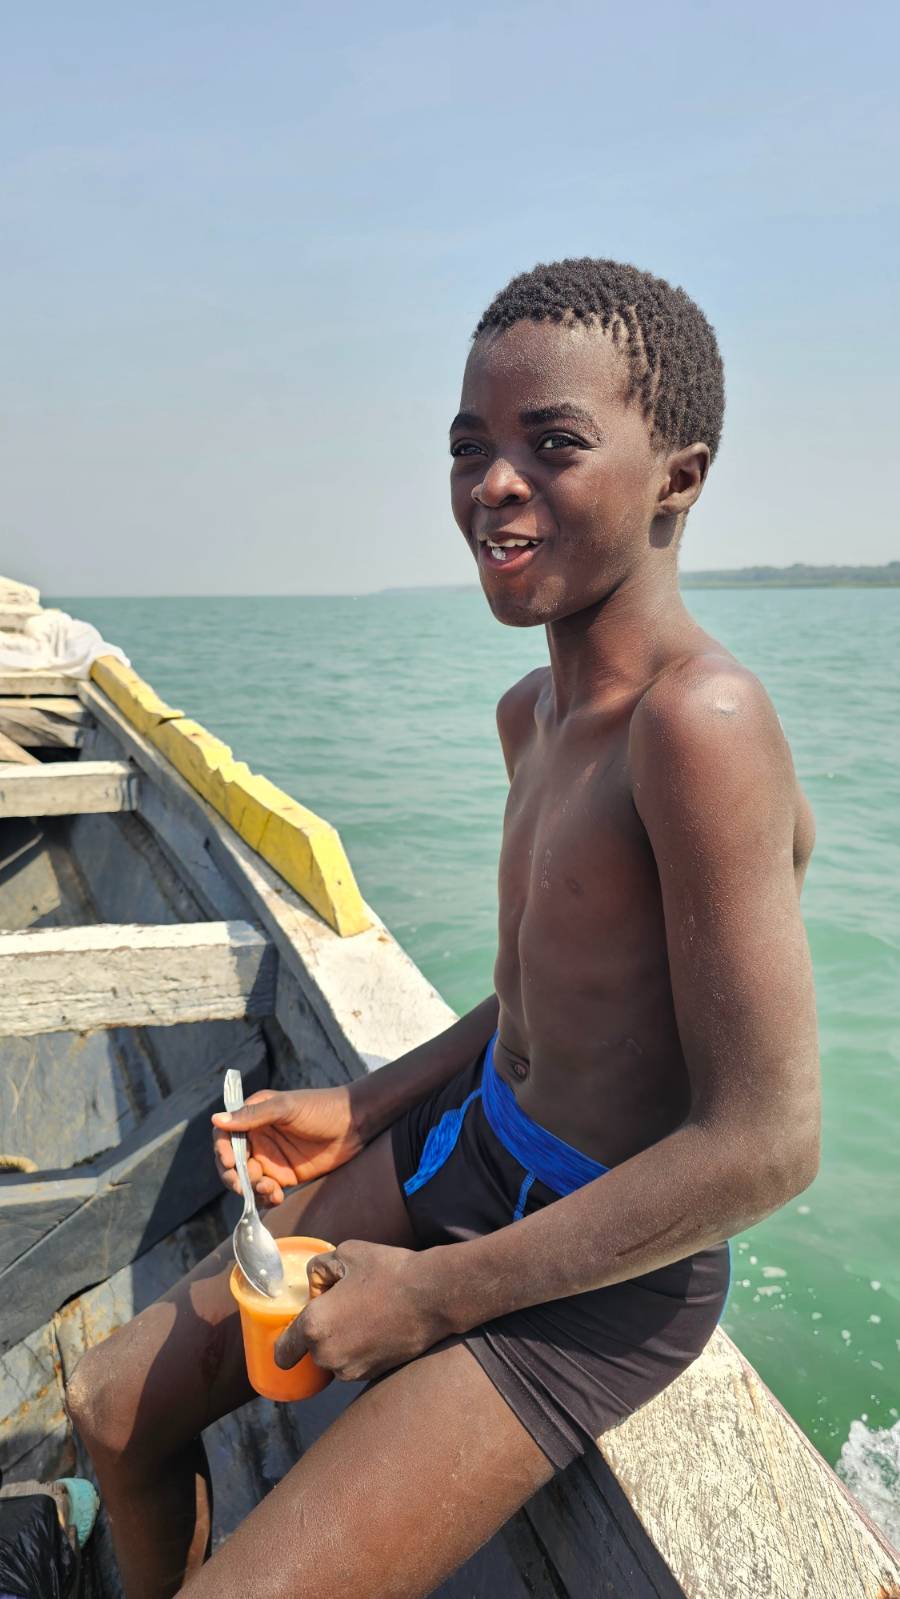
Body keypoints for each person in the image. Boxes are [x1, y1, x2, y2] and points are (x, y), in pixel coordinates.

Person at [67, 258, 820, 1599]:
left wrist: (436, 1298)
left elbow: (766, 1144)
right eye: (471, 447)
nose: (494, 484)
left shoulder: (700, 727)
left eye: (554, 444)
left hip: (600, 1271)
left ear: (679, 478)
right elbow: (549, 995)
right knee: (110, 1410)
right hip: (464, 1152)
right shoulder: (532, 717)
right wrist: (363, 1108)